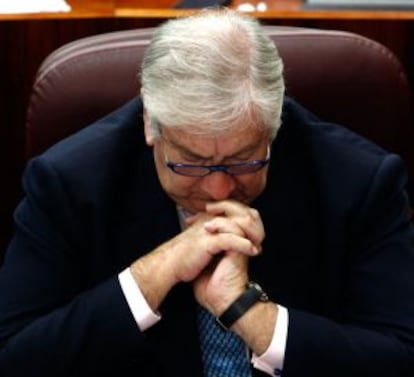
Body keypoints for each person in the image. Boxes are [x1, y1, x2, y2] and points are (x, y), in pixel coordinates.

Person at [0, 8, 413, 377]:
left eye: (246, 159)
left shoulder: (358, 180)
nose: (218, 188)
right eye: (191, 162)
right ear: (150, 125)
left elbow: (399, 356)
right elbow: (15, 357)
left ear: (273, 126)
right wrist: (153, 275)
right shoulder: (68, 181)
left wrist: (250, 314)